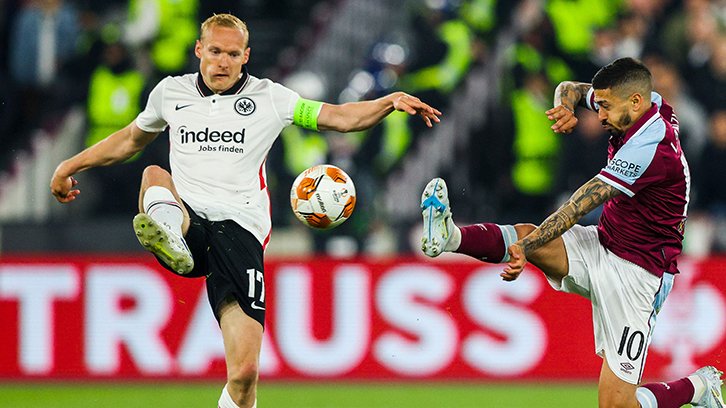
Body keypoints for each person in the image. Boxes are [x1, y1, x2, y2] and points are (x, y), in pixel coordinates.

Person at [50, 13, 441, 408]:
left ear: (246, 56)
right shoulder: (170, 93)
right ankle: (176, 240)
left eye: (232, 54)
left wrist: (389, 101)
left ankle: (177, 245)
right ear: (199, 49)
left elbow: (337, 118)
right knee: (153, 172)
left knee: (244, 375)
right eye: (215, 51)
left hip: (240, 231)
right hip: (190, 216)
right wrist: (69, 166)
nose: (222, 61)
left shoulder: (270, 98)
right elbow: (130, 140)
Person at [420, 57, 724, 408]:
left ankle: (699, 387)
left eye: (606, 108)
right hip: (604, 241)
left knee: (616, 406)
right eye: (602, 105)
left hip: (640, 274)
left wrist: (529, 246)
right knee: (524, 233)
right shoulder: (635, 104)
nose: (600, 115)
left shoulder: (653, 147)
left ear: (635, 102)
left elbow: (579, 204)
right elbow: (572, 90)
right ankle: (450, 236)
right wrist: (564, 105)